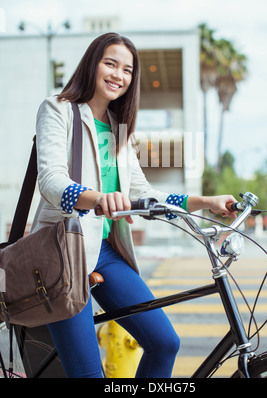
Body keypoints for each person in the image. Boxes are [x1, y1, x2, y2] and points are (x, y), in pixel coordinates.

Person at [31, 32, 237, 378]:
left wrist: (204, 202)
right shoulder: (59, 110)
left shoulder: (119, 129)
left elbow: (143, 193)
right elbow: (51, 181)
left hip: (105, 252)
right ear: (91, 65)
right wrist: (98, 199)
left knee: (164, 342)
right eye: (110, 64)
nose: (118, 75)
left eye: (127, 70)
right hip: (64, 253)